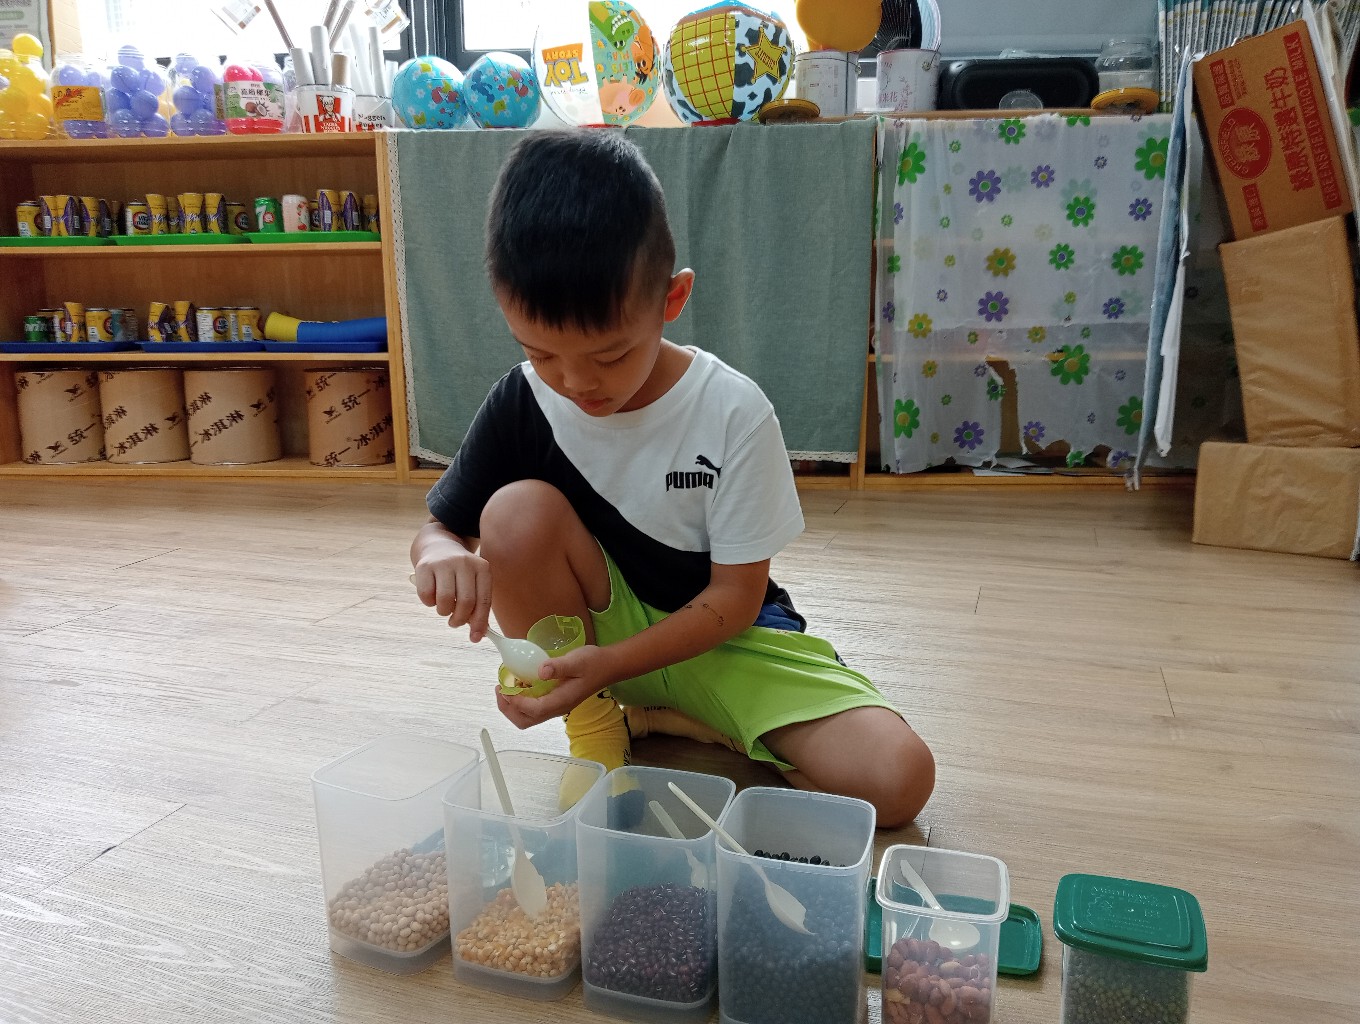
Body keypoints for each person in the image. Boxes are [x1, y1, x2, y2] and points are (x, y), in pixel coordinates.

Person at [409, 128, 934, 827]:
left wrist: (612, 664)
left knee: (899, 780)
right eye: (541, 354)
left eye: (609, 356)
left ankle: (674, 718)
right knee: (511, 513)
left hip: (722, 637)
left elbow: (735, 599)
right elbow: (439, 528)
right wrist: (439, 554)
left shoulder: (732, 410)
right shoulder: (520, 401)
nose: (575, 383)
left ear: (672, 298)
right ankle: (600, 727)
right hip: (599, 651)